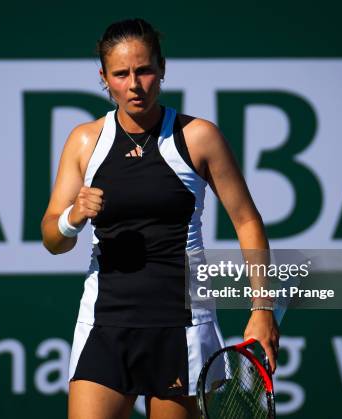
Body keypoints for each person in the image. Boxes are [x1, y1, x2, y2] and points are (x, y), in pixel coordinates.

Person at [41, 18, 279, 419]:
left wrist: (262, 308)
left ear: (162, 69)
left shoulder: (199, 137)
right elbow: (52, 238)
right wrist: (72, 217)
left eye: (144, 70)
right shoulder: (84, 141)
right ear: (104, 78)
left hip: (181, 328)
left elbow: (247, 222)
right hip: (104, 325)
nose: (135, 83)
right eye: (121, 74)